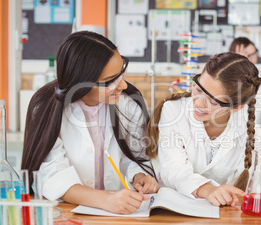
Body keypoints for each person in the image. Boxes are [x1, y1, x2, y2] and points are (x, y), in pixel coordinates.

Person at [21, 31, 159, 214]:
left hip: (118, 213)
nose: (123, 86)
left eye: (121, 73)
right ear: (81, 82)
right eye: (110, 81)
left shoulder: (128, 104)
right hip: (65, 212)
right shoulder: (46, 108)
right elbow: (52, 174)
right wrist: (106, 200)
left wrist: (139, 175)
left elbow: (133, 154)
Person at [146, 52, 261, 207]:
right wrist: (208, 189)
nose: (199, 103)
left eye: (213, 101)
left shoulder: (252, 135)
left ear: (236, 107)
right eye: (199, 89)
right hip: (173, 211)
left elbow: (250, 192)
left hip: (222, 216)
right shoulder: (174, 112)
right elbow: (173, 169)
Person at [229, 37, 261, 126]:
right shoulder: (227, 77)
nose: (254, 59)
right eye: (248, 56)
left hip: (255, 130)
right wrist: (239, 65)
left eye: (254, 54)